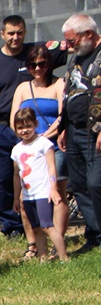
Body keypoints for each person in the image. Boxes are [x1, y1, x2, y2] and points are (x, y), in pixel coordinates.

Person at [0, 15, 69, 240]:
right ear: (2, 34)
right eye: (10, 33)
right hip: (1, 128)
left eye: (19, 32)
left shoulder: (35, 53)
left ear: (25, 32)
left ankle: (46, 229)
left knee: (37, 180)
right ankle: (11, 226)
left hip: (38, 132)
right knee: (5, 179)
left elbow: (65, 48)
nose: (15, 37)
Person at [11, 44, 68, 256]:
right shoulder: (23, 88)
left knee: (58, 194)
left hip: (52, 144)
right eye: (32, 64)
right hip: (28, 150)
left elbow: (64, 115)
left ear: (49, 64)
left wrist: (45, 136)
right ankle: (33, 244)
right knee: (29, 197)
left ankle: (57, 241)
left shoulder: (59, 84)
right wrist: (27, 139)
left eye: (42, 64)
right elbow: (13, 118)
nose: (37, 68)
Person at [59, 13, 101, 255]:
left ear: (88, 34)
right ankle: (94, 235)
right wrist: (63, 127)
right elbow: (70, 92)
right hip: (73, 129)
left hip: (94, 131)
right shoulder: (75, 58)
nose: (68, 45)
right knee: (80, 184)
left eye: (72, 40)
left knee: (97, 183)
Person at [11, 108, 69, 262]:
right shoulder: (16, 150)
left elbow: (51, 167)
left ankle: (63, 257)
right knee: (36, 228)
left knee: (47, 226)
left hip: (43, 192)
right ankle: (43, 257)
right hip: (28, 194)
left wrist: (53, 188)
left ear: (36, 124)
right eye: (20, 128)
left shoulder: (44, 143)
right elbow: (16, 175)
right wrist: (17, 197)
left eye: (28, 126)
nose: (25, 131)